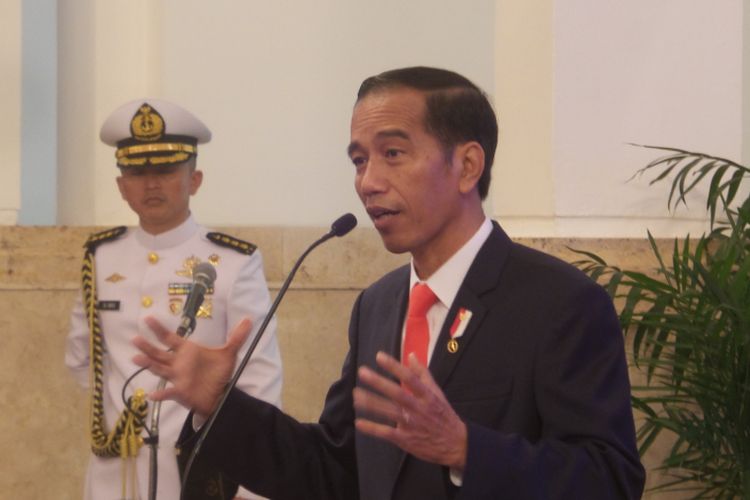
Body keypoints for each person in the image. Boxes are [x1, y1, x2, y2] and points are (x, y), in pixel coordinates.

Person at [133, 67, 646, 499]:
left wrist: (467, 448)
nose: (368, 182)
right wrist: (220, 406)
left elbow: (611, 479)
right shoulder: (378, 306)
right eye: (359, 160)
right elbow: (333, 471)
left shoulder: (559, 303)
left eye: (393, 154)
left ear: (467, 165)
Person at [65, 98, 283, 500]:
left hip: (200, 469)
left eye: (165, 170)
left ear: (194, 179)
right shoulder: (99, 258)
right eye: (136, 171)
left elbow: (259, 376)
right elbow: (83, 362)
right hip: (117, 474)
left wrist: (252, 487)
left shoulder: (234, 261)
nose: (151, 183)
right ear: (121, 185)